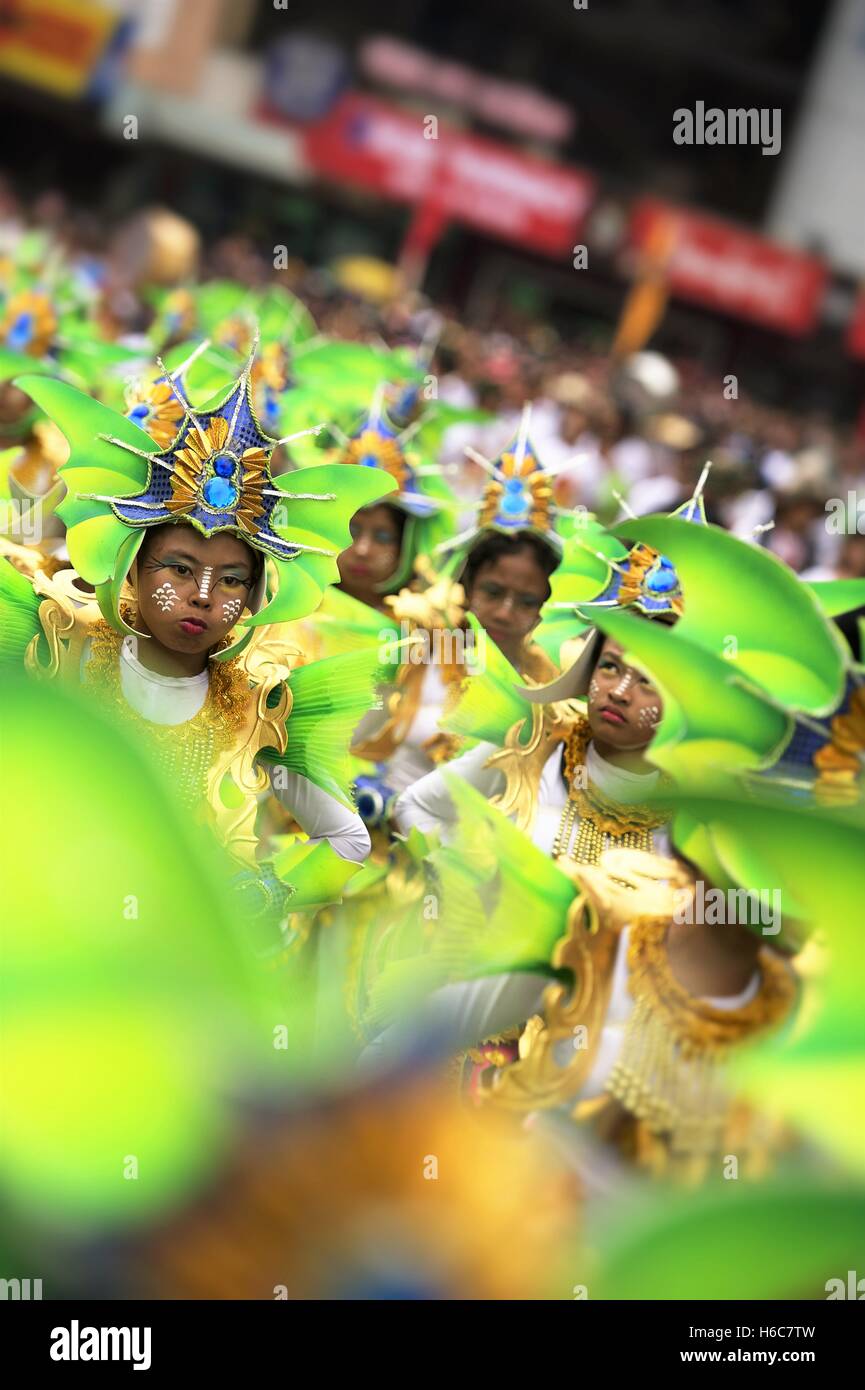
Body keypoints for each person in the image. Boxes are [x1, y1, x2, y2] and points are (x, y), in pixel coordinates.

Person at [5, 345, 401, 923]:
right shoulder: (61, 641)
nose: (205, 595)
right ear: (133, 568)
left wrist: (259, 896)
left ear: (256, 595)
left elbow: (348, 841)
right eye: (181, 570)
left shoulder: (255, 712)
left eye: (232, 579)